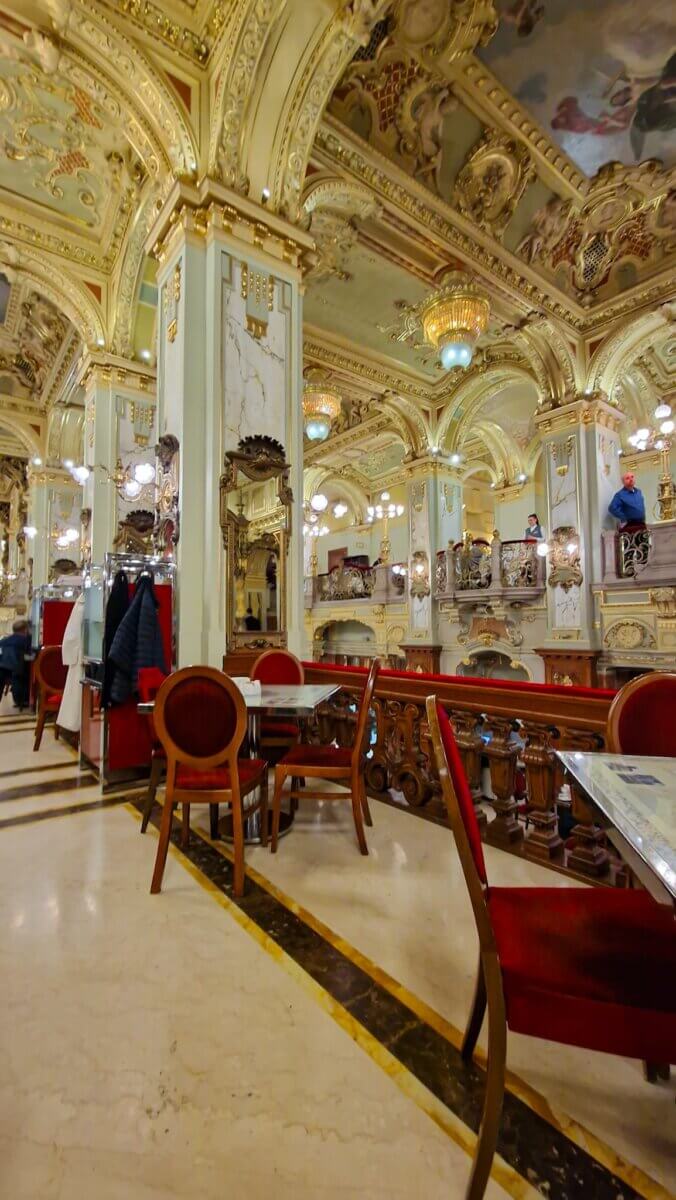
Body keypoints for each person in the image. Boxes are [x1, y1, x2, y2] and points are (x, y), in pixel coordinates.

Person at [0, 618, 32, 709]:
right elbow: (33, 653)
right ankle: (23, 700)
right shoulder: (27, 640)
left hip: (2, 670)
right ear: (25, 629)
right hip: (18, 670)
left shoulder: (4, 640)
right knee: (25, 672)